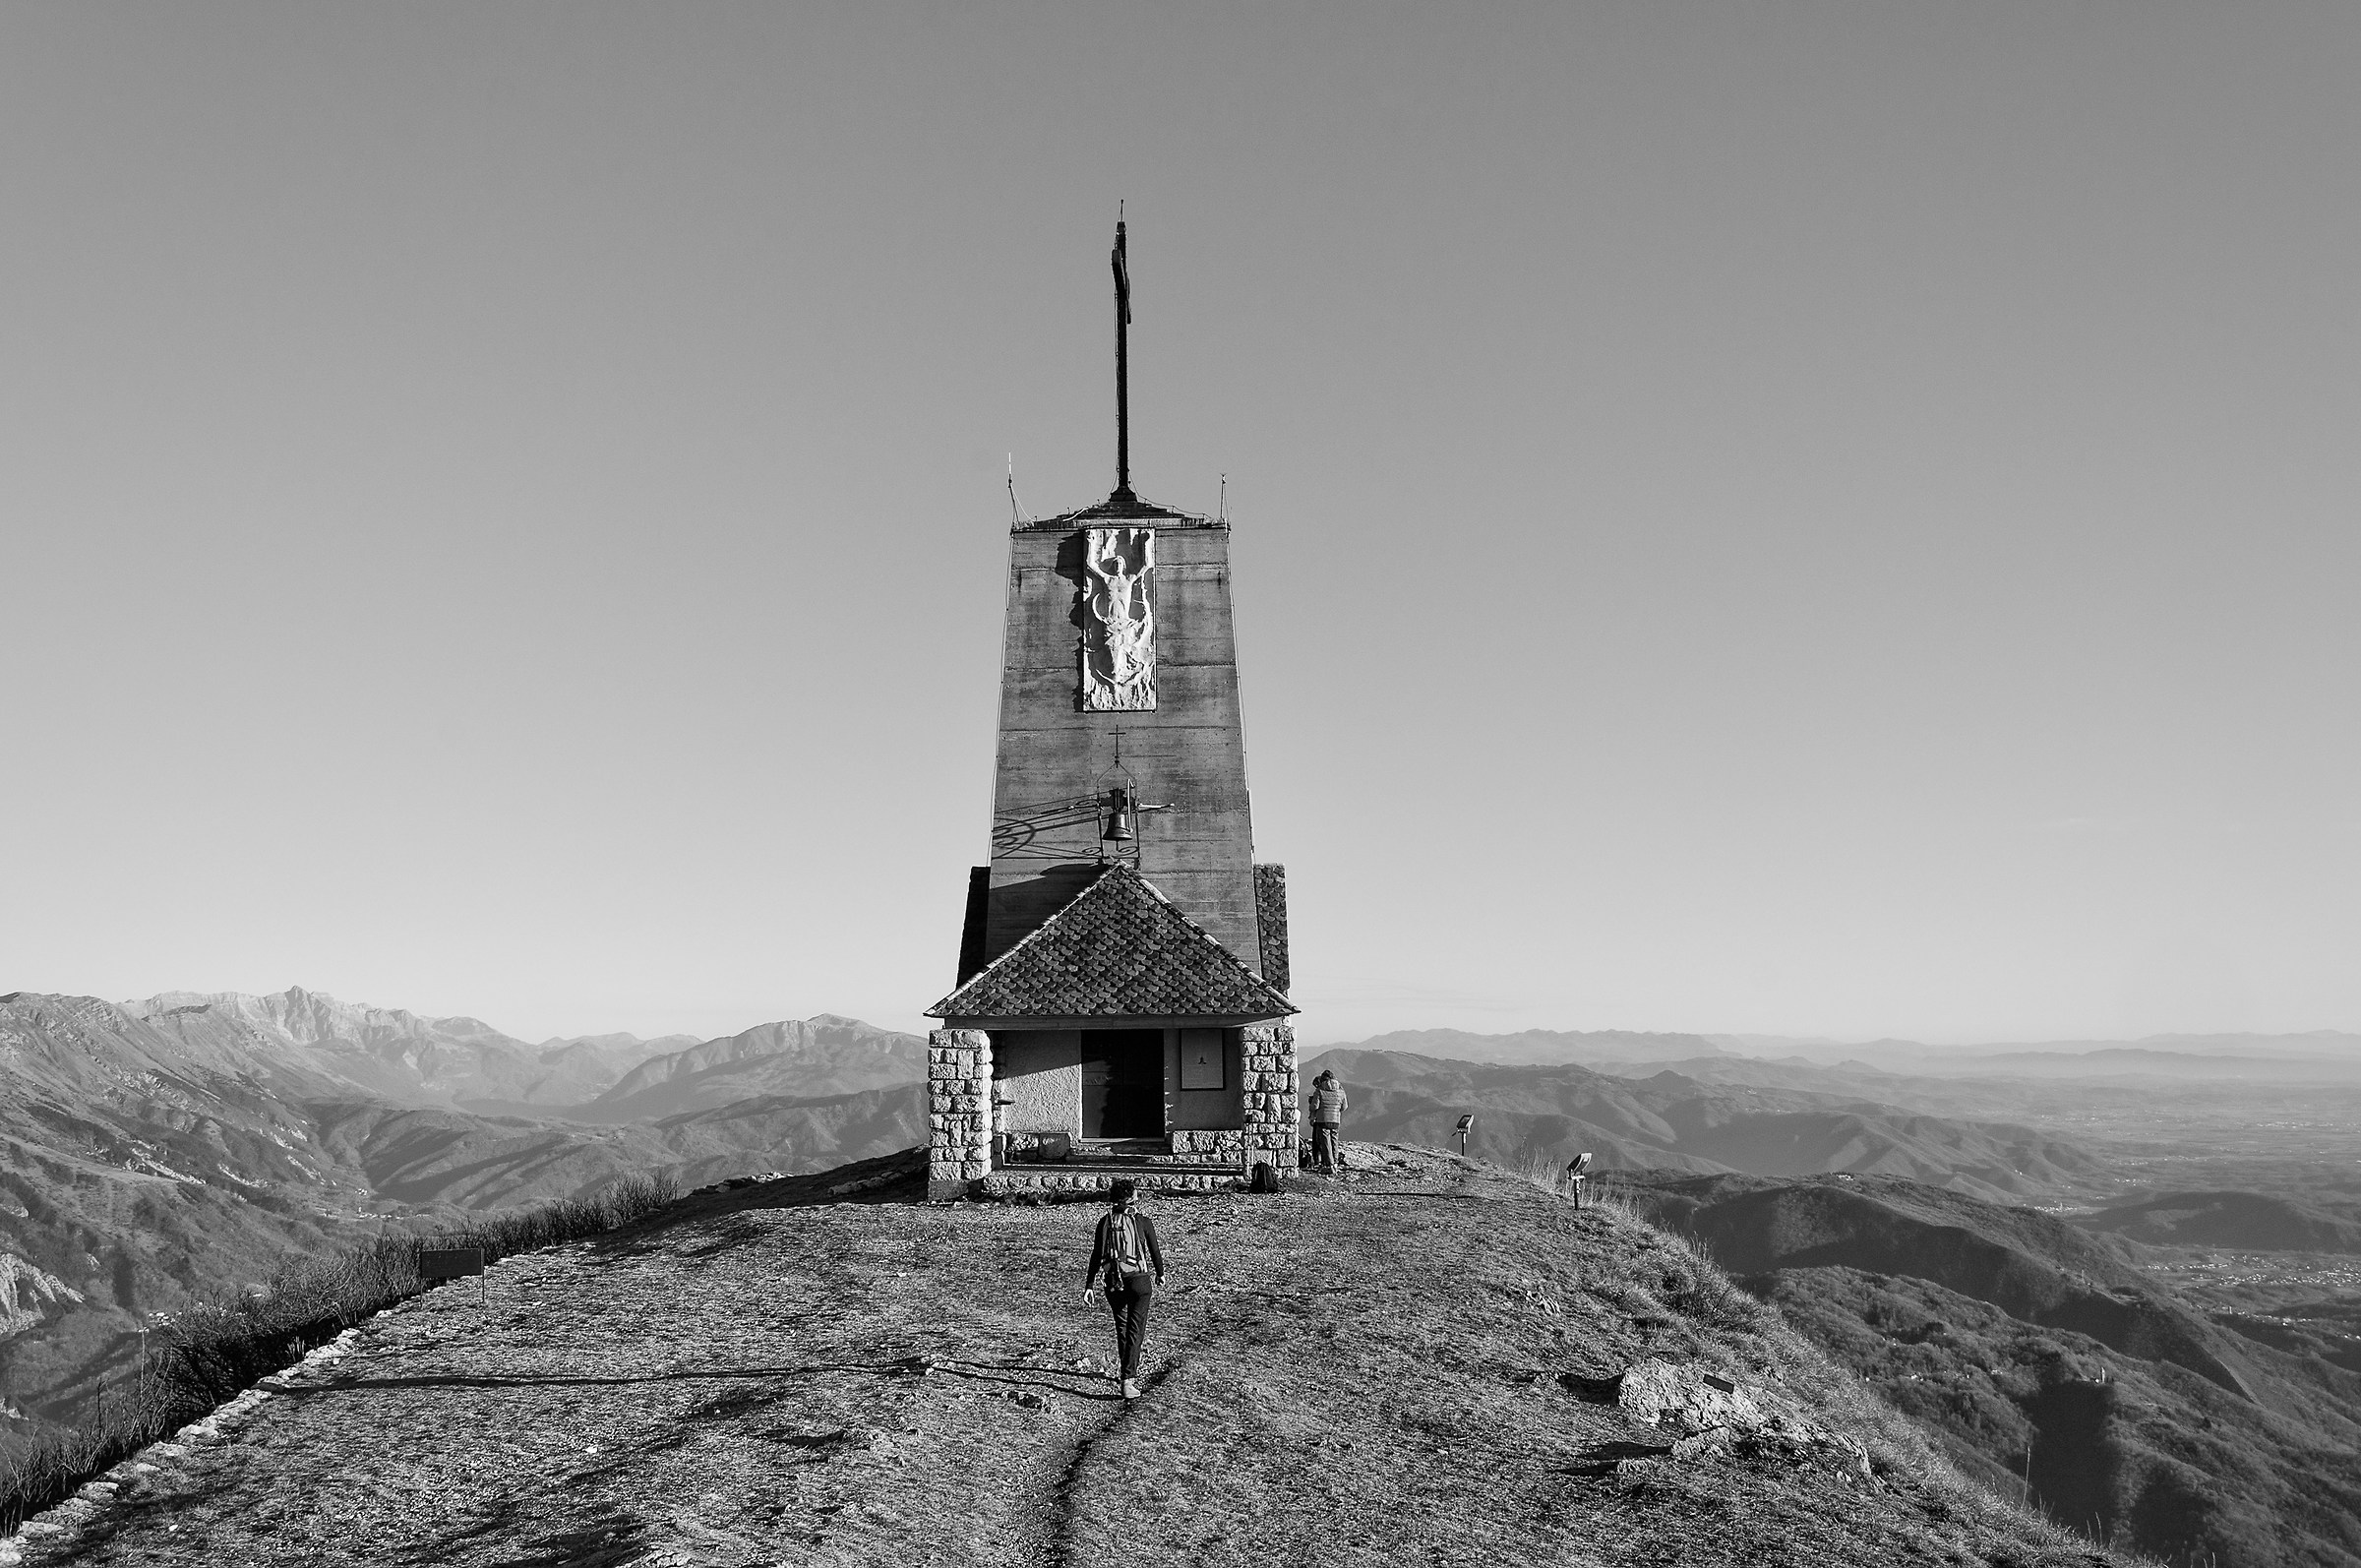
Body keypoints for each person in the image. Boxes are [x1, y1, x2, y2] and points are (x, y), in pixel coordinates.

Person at [1082, 1178, 1165, 1399]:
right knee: (1135, 1330)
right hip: (1139, 1281)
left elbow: (1096, 1254)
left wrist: (1089, 1284)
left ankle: (1125, 1374)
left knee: (1122, 1327)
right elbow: (1154, 1251)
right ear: (1132, 1199)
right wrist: (1160, 1274)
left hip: (1113, 1281)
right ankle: (1128, 1380)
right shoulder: (1142, 1221)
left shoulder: (1104, 1222)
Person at [1307, 1069, 1347, 1175]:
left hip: (1322, 1120)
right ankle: (1336, 1162)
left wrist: (1311, 1107)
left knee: (1325, 1143)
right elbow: (1344, 1107)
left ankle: (1329, 1165)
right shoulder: (1341, 1091)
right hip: (1335, 1120)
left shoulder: (1319, 1090)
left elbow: (1315, 1106)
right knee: (1334, 1141)